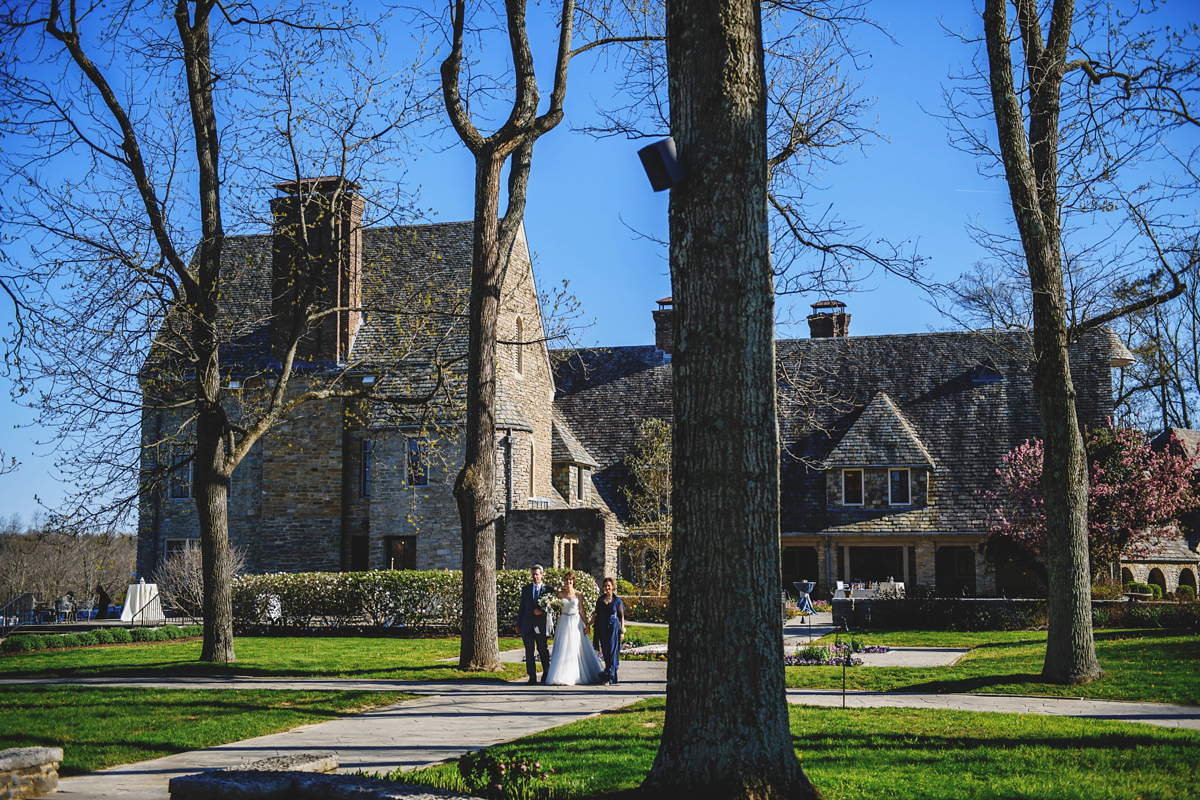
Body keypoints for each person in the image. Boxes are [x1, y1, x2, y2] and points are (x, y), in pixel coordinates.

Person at [543, 571, 604, 686]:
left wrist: (586, 624)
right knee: (563, 648)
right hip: (564, 622)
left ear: (573, 581)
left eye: (570, 580)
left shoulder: (578, 594)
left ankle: (576, 675)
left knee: (575, 648)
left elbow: (581, 610)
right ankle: (561, 675)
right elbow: (555, 609)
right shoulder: (560, 595)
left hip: (575, 622)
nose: (568, 582)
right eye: (566, 580)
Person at [514, 564, 552, 684]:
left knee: (543, 651)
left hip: (541, 625)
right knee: (529, 651)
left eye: (537, 574)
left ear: (542, 575)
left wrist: (542, 610)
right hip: (527, 625)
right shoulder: (526, 589)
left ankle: (546, 673)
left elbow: (552, 608)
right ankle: (532, 676)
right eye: (533, 575)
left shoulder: (548, 590)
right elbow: (522, 608)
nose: (535, 577)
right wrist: (518, 624)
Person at [592, 576, 626, 685]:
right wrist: (588, 625)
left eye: (609, 586)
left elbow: (621, 617)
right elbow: (596, 616)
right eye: (605, 586)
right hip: (602, 627)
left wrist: (622, 630)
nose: (607, 588)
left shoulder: (617, 601)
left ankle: (610, 676)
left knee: (612, 651)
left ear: (613, 587)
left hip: (614, 628)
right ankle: (609, 675)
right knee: (606, 652)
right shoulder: (600, 600)